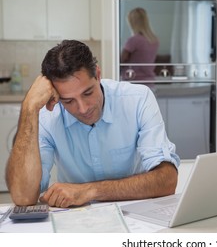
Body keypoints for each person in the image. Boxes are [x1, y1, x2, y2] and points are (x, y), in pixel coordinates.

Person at [6, 40, 180, 207]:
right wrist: (29, 108)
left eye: (88, 93)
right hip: (74, 219)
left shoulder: (138, 100)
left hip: (136, 214)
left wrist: (90, 191)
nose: (82, 109)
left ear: (97, 75)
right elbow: (23, 197)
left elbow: (167, 180)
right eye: (68, 101)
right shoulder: (48, 117)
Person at [120, 7, 159, 81]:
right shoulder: (154, 40)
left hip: (134, 81)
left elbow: (121, 60)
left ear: (132, 23)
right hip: (149, 81)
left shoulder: (134, 40)